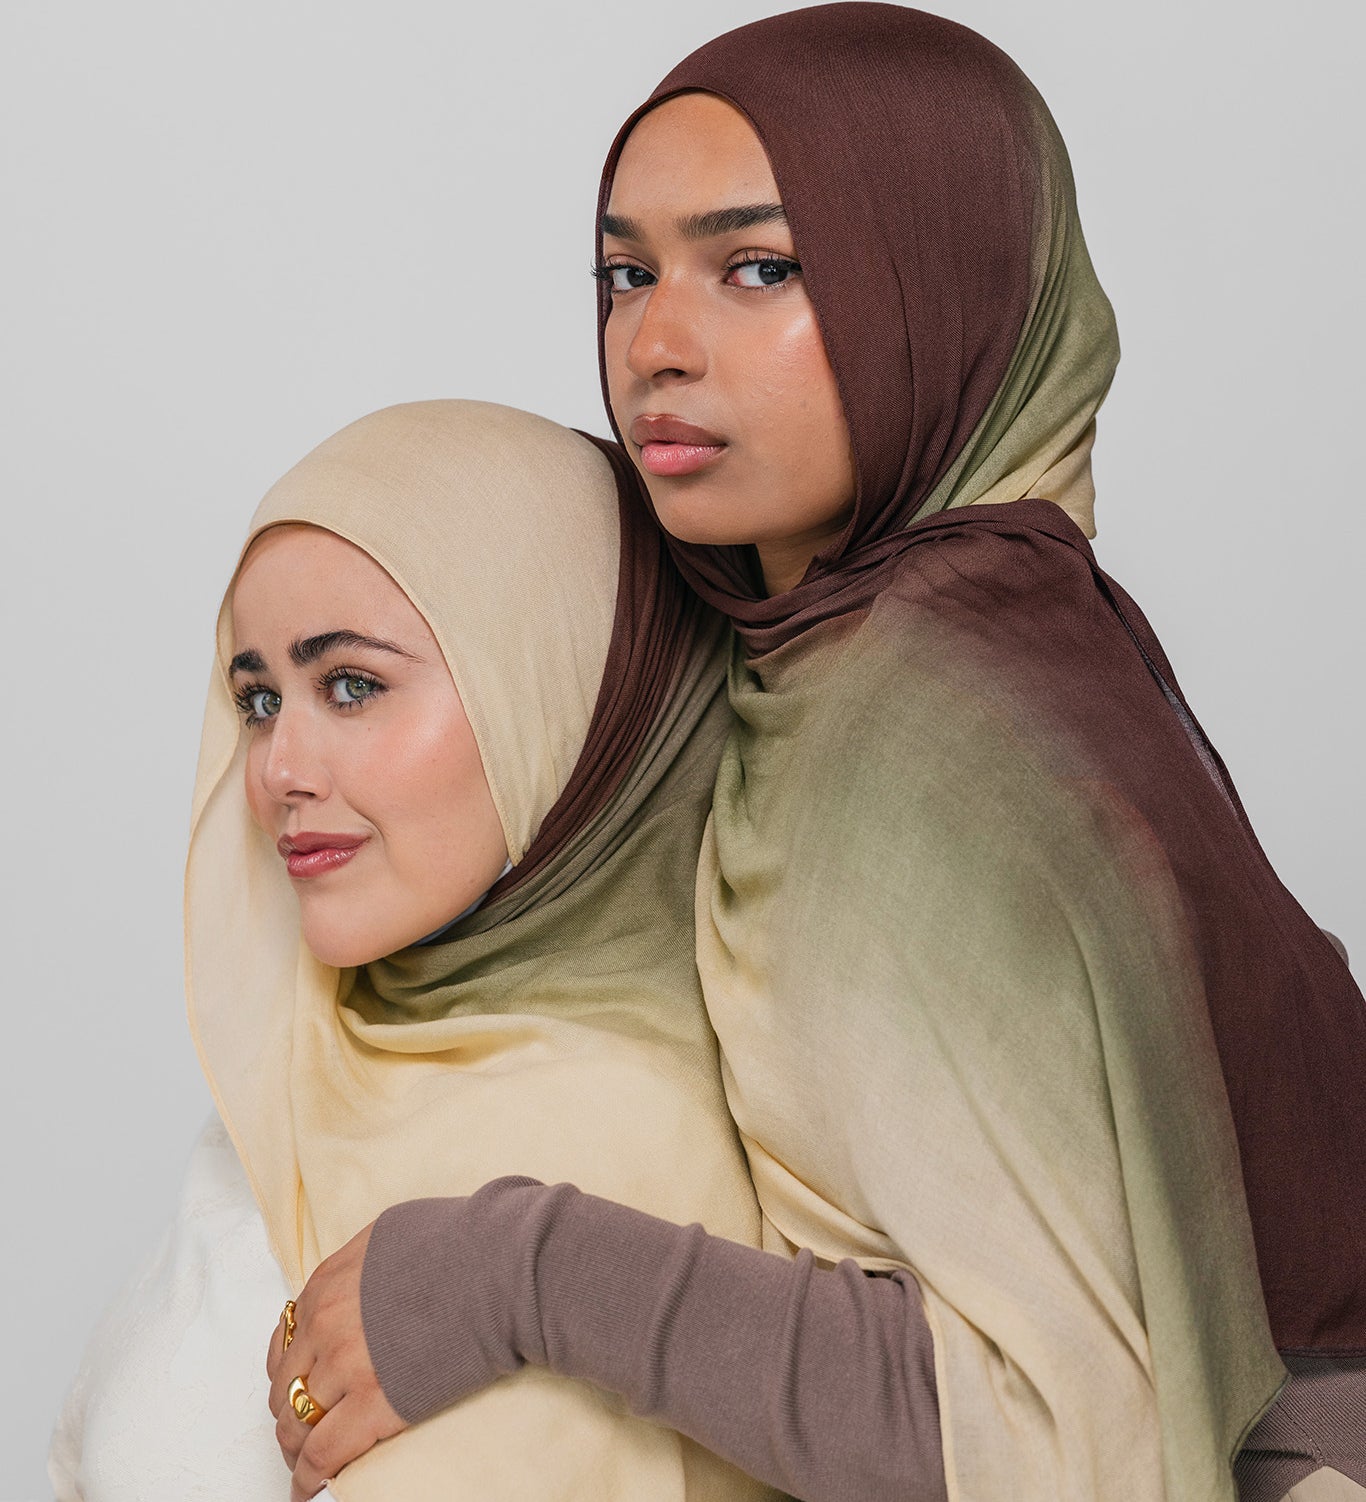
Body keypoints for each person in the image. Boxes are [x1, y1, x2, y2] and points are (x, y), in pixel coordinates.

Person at [280, 8, 1366, 1502]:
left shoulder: (938, 732)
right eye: (625, 274)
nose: (655, 346)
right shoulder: (918, 647)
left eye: (760, 268)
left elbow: (1056, 1439)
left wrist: (519, 1268)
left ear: (943, 284)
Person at [48, 399, 785, 1502]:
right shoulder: (329, 1055)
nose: (277, 770)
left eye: (351, 685)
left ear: (564, 691)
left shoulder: (606, 1147)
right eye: (258, 700)